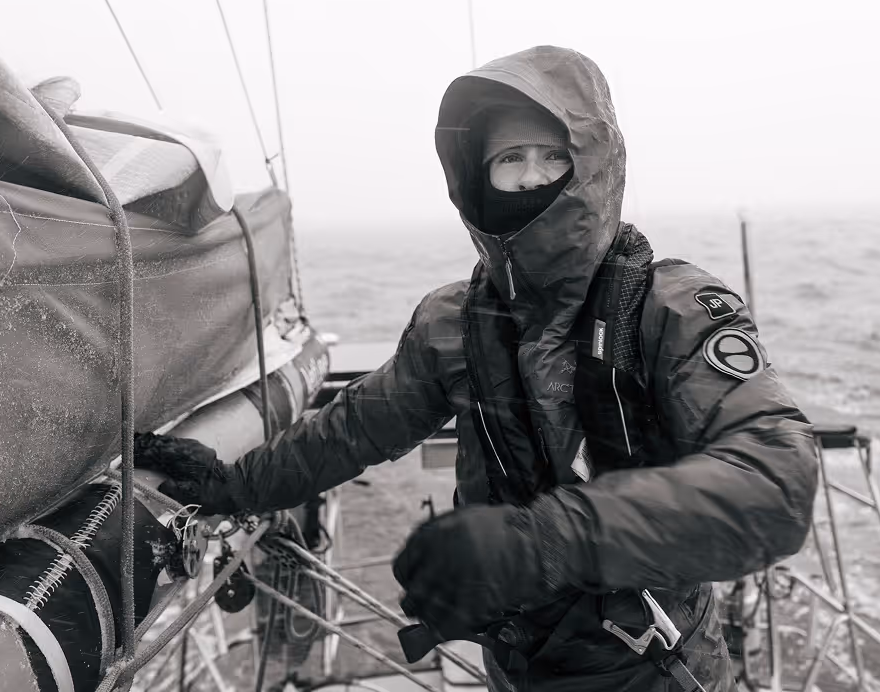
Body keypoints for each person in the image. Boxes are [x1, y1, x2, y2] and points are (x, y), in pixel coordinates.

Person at [136, 46, 819, 692]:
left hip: (653, 668)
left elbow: (776, 481)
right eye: (508, 158)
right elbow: (352, 431)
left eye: (551, 155)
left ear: (594, 165)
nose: (527, 174)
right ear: (475, 176)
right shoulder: (451, 323)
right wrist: (232, 486)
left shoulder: (675, 310)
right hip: (515, 667)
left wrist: (542, 540)